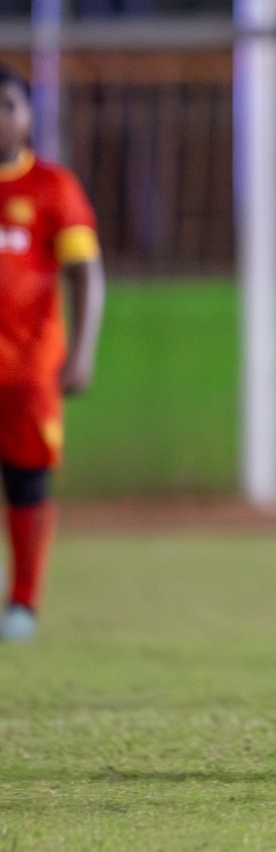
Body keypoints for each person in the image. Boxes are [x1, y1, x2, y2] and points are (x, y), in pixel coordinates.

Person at [0, 66, 105, 642]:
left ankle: (23, 603)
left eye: (7, 106)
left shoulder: (51, 187)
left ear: (27, 116)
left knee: (27, 485)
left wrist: (82, 351)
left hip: (28, 372)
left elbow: (87, 274)